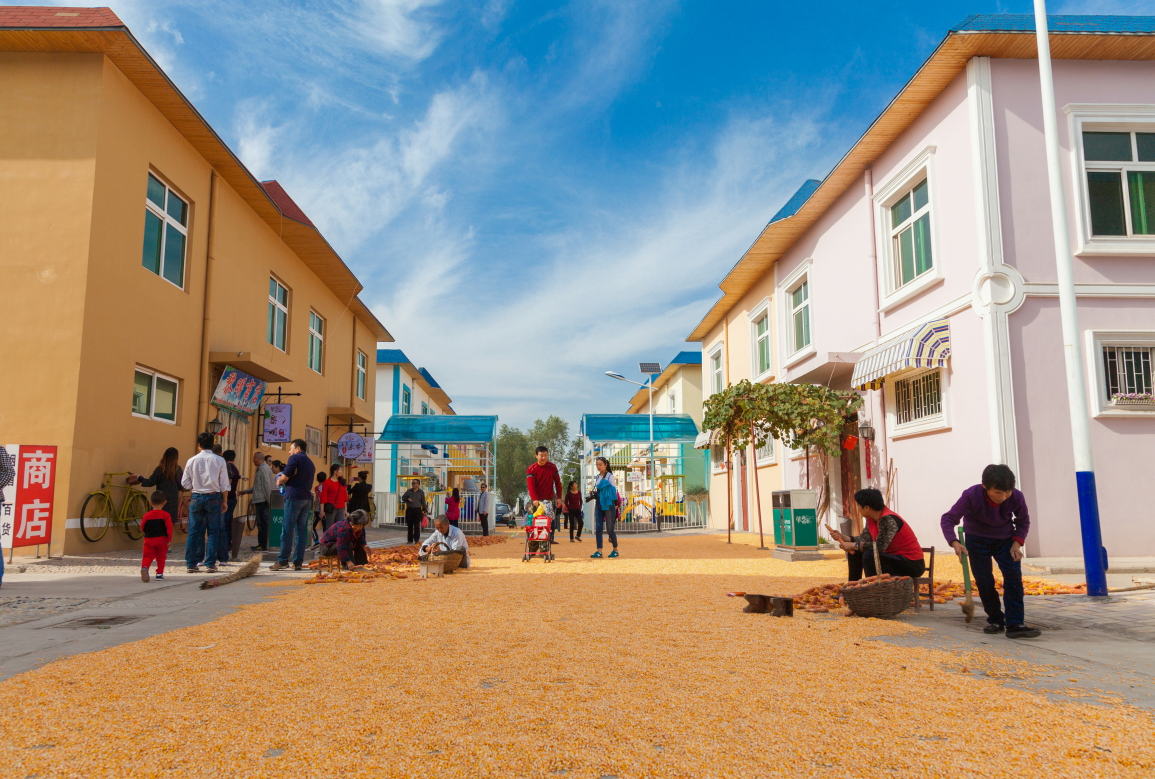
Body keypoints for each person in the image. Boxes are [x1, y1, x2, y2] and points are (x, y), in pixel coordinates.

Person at [942, 464, 1040, 639]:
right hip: (976, 540)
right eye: (998, 492)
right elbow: (948, 519)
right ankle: (996, 619)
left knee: (1013, 578)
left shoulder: (1017, 496)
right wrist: (954, 542)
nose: (1003, 497)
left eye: (1007, 492)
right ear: (985, 486)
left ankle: (1015, 623)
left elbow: (1023, 521)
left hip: (1005, 540)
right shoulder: (971, 495)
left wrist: (1017, 543)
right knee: (984, 581)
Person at [831, 489, 926, 580]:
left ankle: (873, 587)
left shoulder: (888, 519)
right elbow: (864, 539)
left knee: (869, 555)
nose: (858, 508)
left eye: (859, 505)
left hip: (912, 563)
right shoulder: (871, 519)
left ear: (867, 508)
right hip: (892, 558)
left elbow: (879, 546)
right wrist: (844, 537)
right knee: (855, 552)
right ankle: (853, 586)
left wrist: (853, 545)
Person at [181, 432, 229, 573]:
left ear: (199, 445)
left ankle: (191, 563)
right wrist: (225, 501)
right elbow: (224, 484)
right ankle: (210, 564)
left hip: (196, 496)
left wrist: (196, 484)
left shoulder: (191, 460)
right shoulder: (220, 460)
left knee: (194, 531)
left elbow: (185, 483)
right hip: (214, 497)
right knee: (213, 531)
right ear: (212, 444)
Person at [271, 439, 316, 571]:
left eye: (291, 449)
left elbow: (284, 477)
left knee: (287, 529)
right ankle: (297, 562)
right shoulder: (310, 462)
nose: (289, 452)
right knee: (301, 532)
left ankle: (283, 560)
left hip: (294, 497)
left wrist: (279, 481)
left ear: (298, 448)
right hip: (306, 498)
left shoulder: (295, 458)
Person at [128, 447, 184, 531]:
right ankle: (166, 539)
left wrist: (138, 477)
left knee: (157, 524)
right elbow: (181, 485)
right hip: (172, 502)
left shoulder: (160, 469)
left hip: (159, 500)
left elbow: (150, 482)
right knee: (168, 525)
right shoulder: (178, 470)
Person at [527, 445, 562, 545]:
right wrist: (534, 499)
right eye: (541, 455)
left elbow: (558, 483)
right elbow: (531, 486)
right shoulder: (531, 469)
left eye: (546, 455)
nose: (544, 458)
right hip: (536, 501)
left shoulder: (552, 467)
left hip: (549, 500)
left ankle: (549, 540)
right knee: (534, 521)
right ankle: (533, 542)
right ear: (536, 456)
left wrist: (559, 498)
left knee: (550, 520)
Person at [238, 452, 273, 551]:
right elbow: (258, 487)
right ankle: (261, 544)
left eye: (254, 459)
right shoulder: (261, 468)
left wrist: (269, 501)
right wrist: (245, 491)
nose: (253, 461)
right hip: (260, 500)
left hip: (262, 501)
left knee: (263, 524)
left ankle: (263, 545)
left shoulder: (263, 469)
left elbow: (266, 486)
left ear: (258, 459)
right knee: (261, 524)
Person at [140, 490, 173, 582]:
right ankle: (159, 574)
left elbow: (142, 527)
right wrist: (169, 539)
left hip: (149, 539)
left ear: (151, 502)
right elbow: (169, 528)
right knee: (161, 557)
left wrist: (145, 532)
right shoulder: (166, 515)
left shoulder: (147, 515)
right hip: (162, 540)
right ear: (164, 502)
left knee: (147, 556)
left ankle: (145, 567)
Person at [589, 457, 619, 558]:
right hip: (599, 503)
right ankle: (599, 551)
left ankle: (615, 550)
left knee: (610, 529)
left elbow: (614, 490)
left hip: (608, 504)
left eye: (600, 464)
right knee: (598, 528)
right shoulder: (597, 477)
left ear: (606, 465)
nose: (598, 467)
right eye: (597, 465)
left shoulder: (610, 476)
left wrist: (616, 503)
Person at [219, 450, 243, 563]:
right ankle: (228, 543)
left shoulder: (227, 467)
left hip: (227, 498)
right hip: (233, 498)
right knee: (228, 523)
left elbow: (226, 484)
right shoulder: (235, 469)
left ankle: (226, 544)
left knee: (224, 523)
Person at [401, 479, 427, 545]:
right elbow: (403, 497)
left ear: (418, 484)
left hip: (417, 510)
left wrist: (425, 510)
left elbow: (423, 502)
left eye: (414, 483)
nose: (413, 484)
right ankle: (410, 540)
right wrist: (407, 499)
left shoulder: (421, 492)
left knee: (417, 526)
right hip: (410, 510)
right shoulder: (409, 491)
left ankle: (416, 540)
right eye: (412, 483)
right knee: (410, 525)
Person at [319, 466, 342, 533]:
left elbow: (344, 496)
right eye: (340, 470)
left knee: (341, 527)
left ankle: (339, 539)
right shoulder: (327, 482)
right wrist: (322, 511)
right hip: (331, 508)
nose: (341, 472)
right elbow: (323, 496)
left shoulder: (341, 482)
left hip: (341, 508)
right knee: (330, 527)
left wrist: (346, 509)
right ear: (335, 471)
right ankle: (329, 539)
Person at [311, 472, 327, 546]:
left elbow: (318, 498)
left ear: (317, 479)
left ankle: (316, 540)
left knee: (312, 525)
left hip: (318, 510)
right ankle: (325, 541)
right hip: (326, 509)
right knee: (325, 526)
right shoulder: (327, 487)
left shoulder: (317, 488)